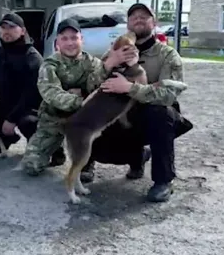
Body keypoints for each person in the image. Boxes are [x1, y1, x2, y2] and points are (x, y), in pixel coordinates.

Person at [84, 2, 193, 202]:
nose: (139, 19)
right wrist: (109, 63)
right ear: (128, 24)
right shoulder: (113, 52)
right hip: (118, 115)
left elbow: (169, 94)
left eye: (145, 15)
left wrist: (130, 88)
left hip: (148, 117)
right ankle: (132, 157)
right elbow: (89, 86)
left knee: (162, 113)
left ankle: (163, 181)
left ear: (155, 22)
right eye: (134, 16)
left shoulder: (167, 55)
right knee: (89, 112)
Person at [20, 18, 139, 176]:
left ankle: (90, 164)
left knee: (101, 139)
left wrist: (110, 63)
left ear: (81, 40)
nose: (70, 43)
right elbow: (52, 94)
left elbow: (99, 88)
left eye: (74, 38)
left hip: (83, 121)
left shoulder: (92, 62)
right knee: (31, 166)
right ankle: (57, 149)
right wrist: (82, 101)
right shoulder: (49, 65)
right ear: (57, 43)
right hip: (54, 120)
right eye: (64, 38)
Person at [0, 13, 64, 163]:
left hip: (30, 109)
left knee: (27, 122)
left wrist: (12, 119)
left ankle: (54, 150)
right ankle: (7, 139)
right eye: (3, 27)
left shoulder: (33, 58)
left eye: (11, 27)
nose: (6, 31)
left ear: (22, 31)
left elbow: (32, 95)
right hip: (6, 107)